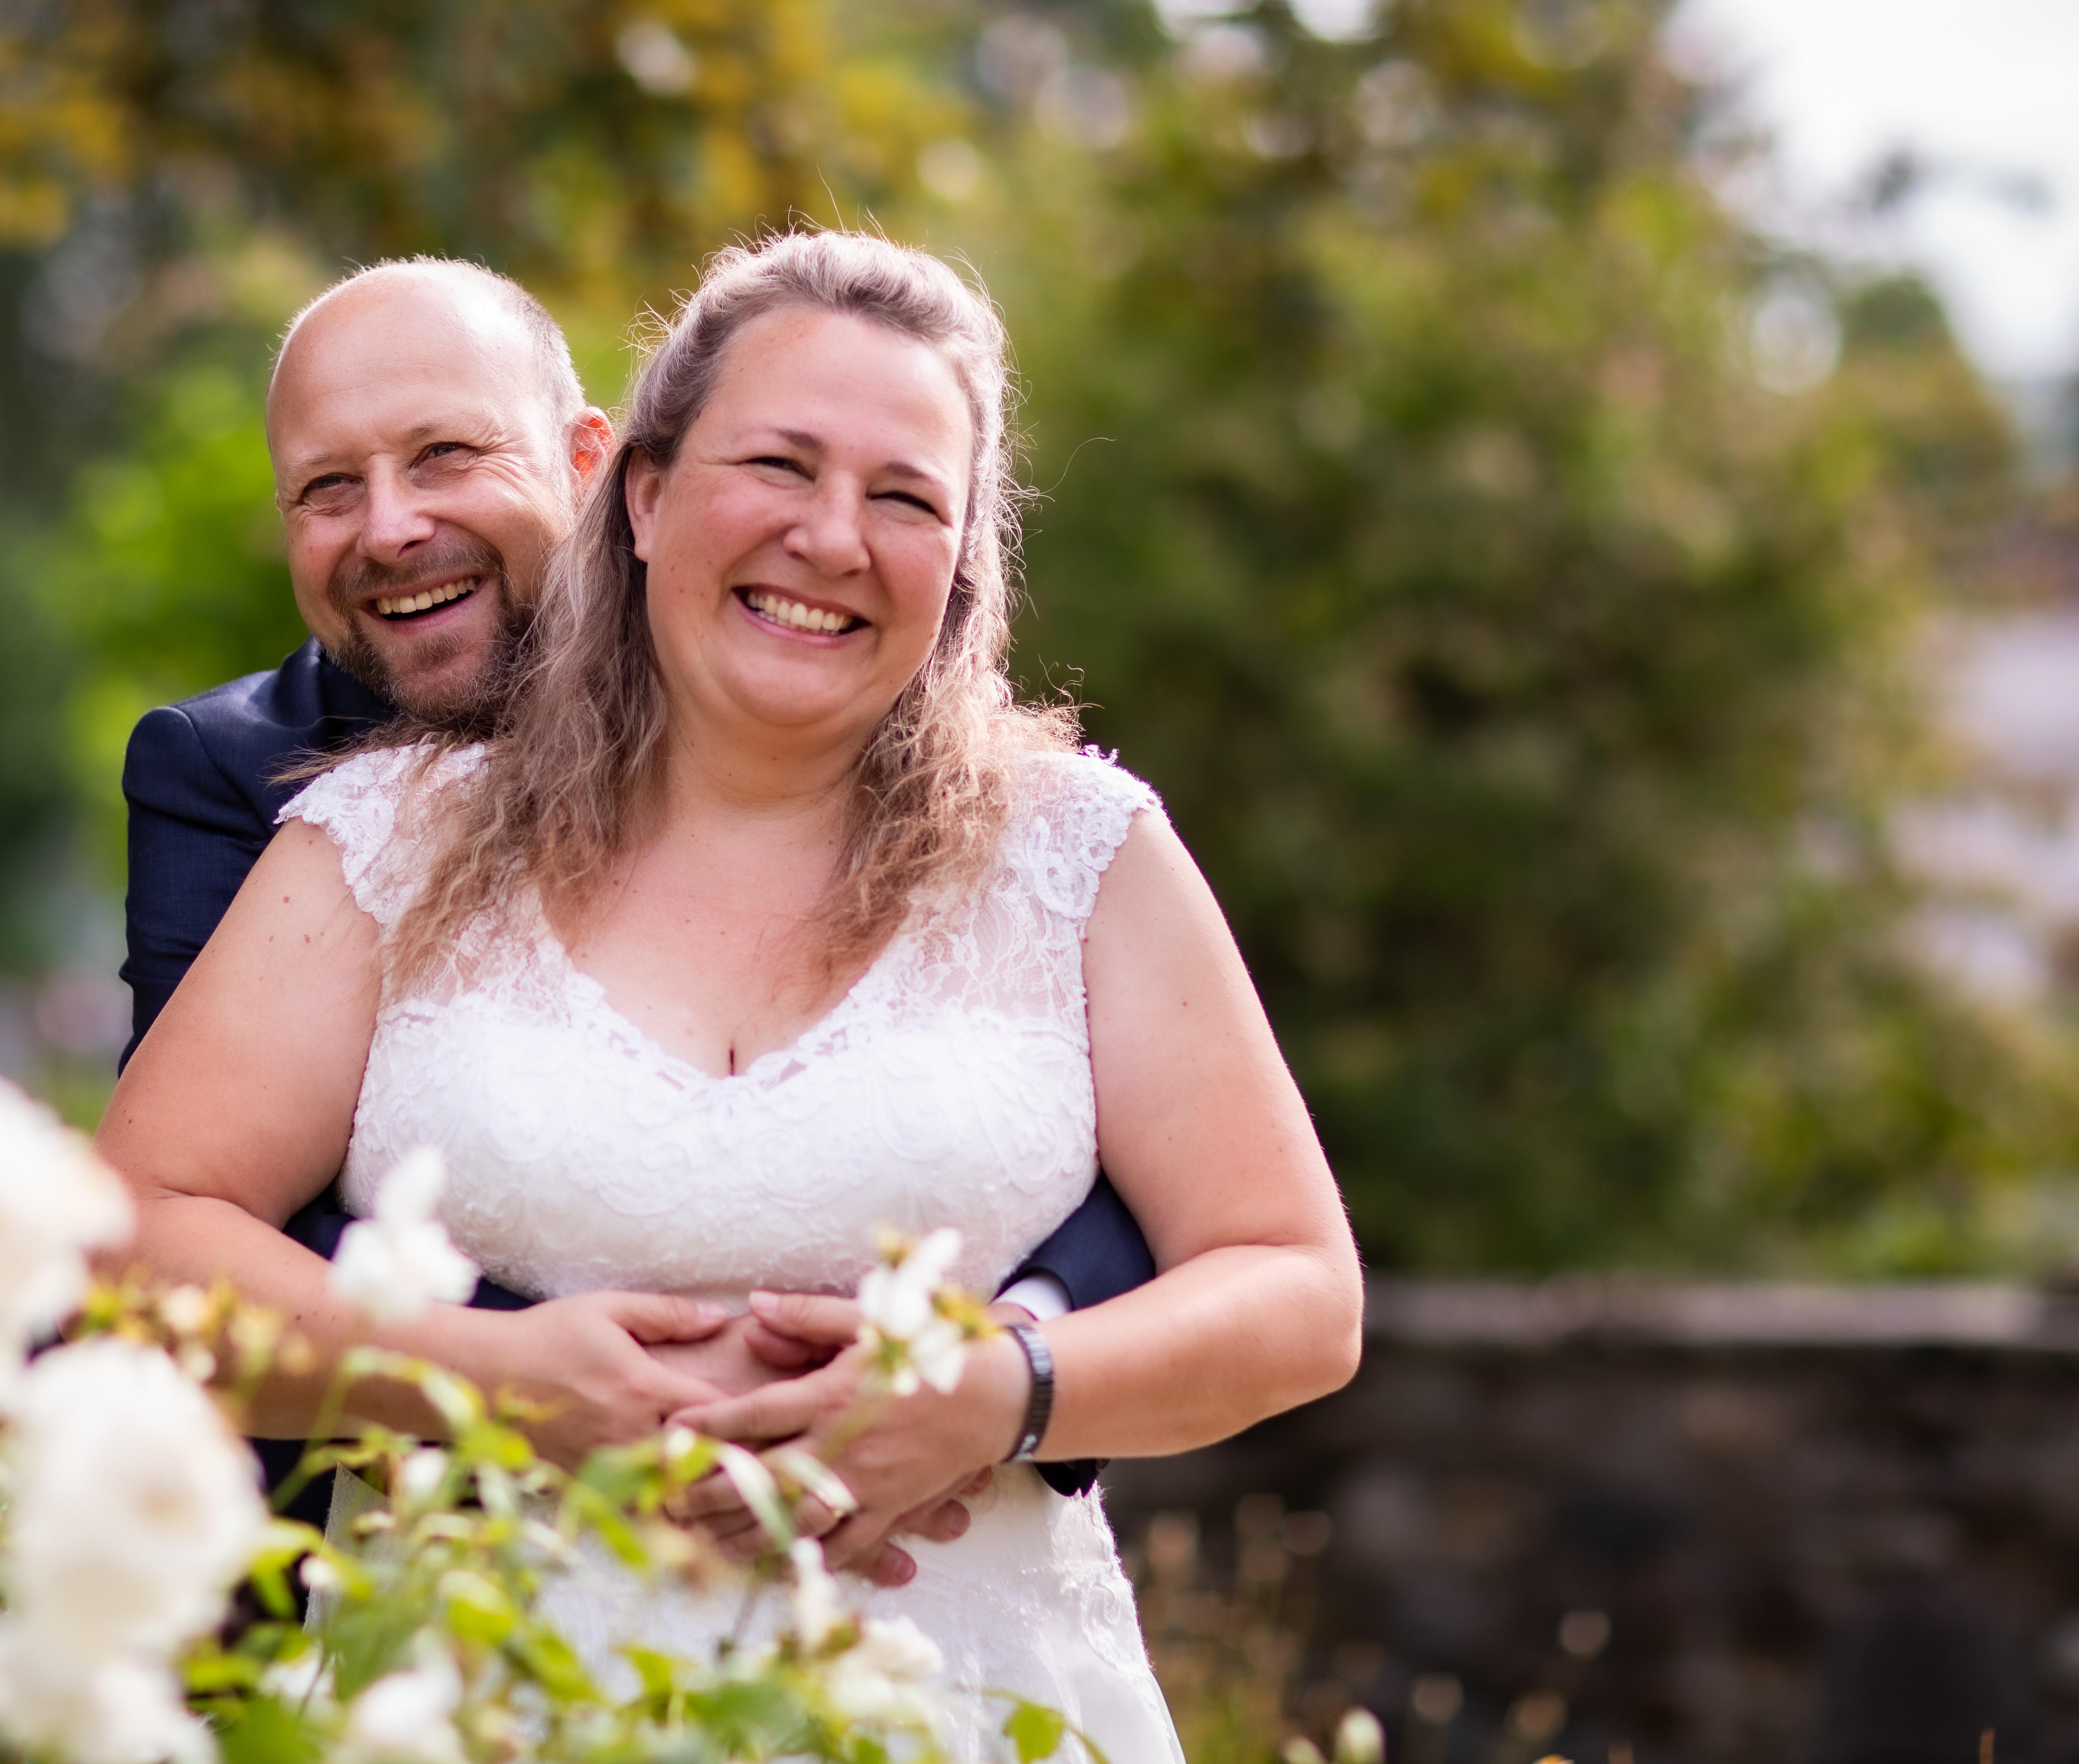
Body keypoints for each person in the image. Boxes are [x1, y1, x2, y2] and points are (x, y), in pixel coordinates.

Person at [99, 232, 1361, 1756]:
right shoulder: (384, 838)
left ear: (962, 557)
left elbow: (1295, 1285)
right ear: (639, 494)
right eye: (779, 464)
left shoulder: (1081, 850)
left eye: (904, 497)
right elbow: (137, 1242)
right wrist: (483, 1375)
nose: (833, 537)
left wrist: (1001, 1388)